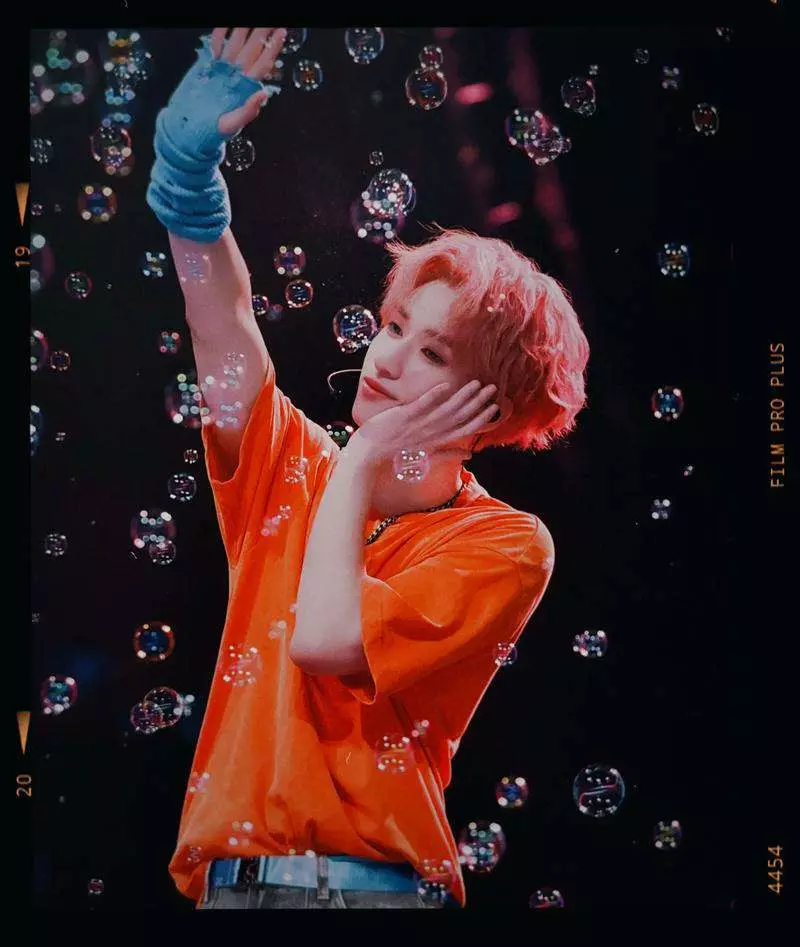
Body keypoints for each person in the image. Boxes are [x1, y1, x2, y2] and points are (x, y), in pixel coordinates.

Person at [146, 26, 590, 910]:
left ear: (492, 408)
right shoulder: (288, 463)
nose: (385, 358)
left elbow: (324, 642)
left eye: (432, 352)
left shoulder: (505, 542)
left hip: (374, 894)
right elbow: (223, 323)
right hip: (231, 889)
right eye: (392, 326)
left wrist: (354, 470)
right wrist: (188, 186)